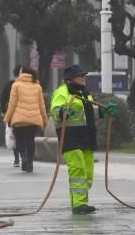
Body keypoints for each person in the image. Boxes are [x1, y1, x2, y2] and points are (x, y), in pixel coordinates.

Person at [50, 65, 118, 214]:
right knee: (77, 169)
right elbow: (55, 111)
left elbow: (90, 113)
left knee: (88, 174)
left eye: (84, 75)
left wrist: (103, 110)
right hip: (70, 138)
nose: (83, 77)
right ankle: (79, 205)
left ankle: (82, 201)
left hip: (86, 138)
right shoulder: (61, 93)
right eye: (80, 75)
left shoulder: (85, 94)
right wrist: (63, 112)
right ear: (70, 79)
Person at [4, 66, 48, 173]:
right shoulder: (37, 86)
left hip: (19, 119)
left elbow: (12, 104)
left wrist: (7, 118)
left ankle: (24, 156)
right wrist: (44, 119)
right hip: (34, 120)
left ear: (22, 73)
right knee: (30, 140)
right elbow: (42, 105)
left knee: (20, 140)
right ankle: (30, 163)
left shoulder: (16, 85)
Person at [0, 65, 22, 167]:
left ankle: (17, 158)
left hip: (12, 114)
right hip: (21, 114)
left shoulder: (8, 85)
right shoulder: (23, 85)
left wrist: (4, 113)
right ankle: (22, 157)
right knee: (20, 135)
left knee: (14, 135)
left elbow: (2, 99)